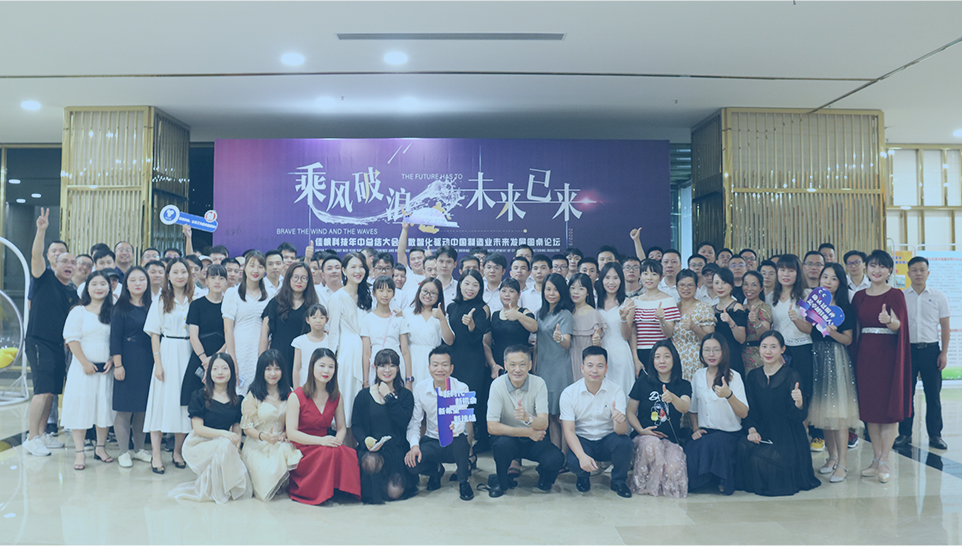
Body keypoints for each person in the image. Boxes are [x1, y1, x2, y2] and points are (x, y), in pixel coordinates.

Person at [23, 209, 79, 457]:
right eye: (64, 261)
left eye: (73, 263)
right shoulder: (43, 277)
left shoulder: (72, 291)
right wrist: (41, 230)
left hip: (58, 345)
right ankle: (31, 437)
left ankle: (43, 433)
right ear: (54, 263)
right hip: (39, 342)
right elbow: (36, 255)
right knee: (42, 391)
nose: (69, 265)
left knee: (52, 393)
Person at [736, 331, 821, 496]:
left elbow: (798, 417)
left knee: (761, 460)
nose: (768, 351)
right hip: (762, 429)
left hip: (787, 434)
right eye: (764, 346)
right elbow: (751, 410)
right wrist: (752, 429)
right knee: (743, 447)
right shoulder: (753, 376)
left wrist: (799, 403)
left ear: (782, 349)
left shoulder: (792, 376)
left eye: (773, 347)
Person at [852, 250, 912, 483]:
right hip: (865, 357)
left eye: (882, 267)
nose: (876, 271)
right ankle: (876, 459)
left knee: (888, 410)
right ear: (866, 268)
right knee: (870, 411)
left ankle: (886, 460)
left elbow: (900, 325)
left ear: (890, 270)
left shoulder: (895, 294)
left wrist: (890, 322)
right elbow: (855, 328)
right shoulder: (859, 296)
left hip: (888, 356)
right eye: (873, 266)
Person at [169, 353, 252, 503]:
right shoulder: (200, 396)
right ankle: (215, 490)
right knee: (224, 444)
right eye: (215, 368)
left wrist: (237, 450)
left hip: (225, 443)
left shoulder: (237, 399)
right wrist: (224, 434)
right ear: (209, 372)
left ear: (232, 371)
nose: (220, 372)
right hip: (200, 442)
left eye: (224, 368)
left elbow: (237, 430)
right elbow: (198, 429)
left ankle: (221, 487)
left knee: (227, 448)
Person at [486, 345, 565, 497]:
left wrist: (528, 418)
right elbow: (492, 427)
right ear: (505, 365)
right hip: (509, 438)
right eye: (512, 364)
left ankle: (544, 478)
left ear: (530, 365)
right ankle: (502, 482)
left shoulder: (539, 383)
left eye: (522, 364)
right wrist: (527, 432)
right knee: (501, 445)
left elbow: (544, 423)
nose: (517, 369)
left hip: (534, 439)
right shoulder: (497, 385)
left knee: (556, 459)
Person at [286, 348, 362, 504]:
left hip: (326, 443)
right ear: (312, 367)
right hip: (304, 445)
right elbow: (291, 433)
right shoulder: (296, 396)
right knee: (328, 453)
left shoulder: (336, 396)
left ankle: (341, 491)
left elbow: (341, 428)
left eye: (331, 367)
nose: (326, 371)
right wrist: (321, 441)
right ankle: (318, 492)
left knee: (348, 453)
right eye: (322, 366)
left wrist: (337, 441)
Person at [808, 263, 859, 482]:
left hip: (836, 357)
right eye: (825, 277)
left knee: (838, 413)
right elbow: (808, 329)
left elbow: (848, 340)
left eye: (833, 278)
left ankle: (843, 464)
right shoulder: (814, 304)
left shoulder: (845, 308)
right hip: (816, 356)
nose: (828, 281)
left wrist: (832, 333)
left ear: (840, 283)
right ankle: (831, 457)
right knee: (824, 412)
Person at [560, 346, 633, 498]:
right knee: (574, 461)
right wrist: (581, 456)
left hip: (607, 439)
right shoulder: (569, 393)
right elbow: (568, 430)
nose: (595, 370)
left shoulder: (616, 391)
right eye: (590, 365)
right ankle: (583, 477)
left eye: (600, 366)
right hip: (583, 440)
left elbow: (621, 431)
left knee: (625, 443)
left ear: (606, 369)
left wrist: (619, 420)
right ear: (582, 368)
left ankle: (619, 481)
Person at [404, 345, 475, 501]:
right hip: (432, 441)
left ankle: (463, 482)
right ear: (429, 368)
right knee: (411, 463)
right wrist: (414, 446)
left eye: (444, 365)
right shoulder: (420, 388)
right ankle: (435, 471)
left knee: (460, 442)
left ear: (451, 368)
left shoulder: (462, 388)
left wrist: (453, 427)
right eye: (435, 365)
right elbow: (415, 422)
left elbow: (462, 418)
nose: (440, 369)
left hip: (454, 441)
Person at [143, 258, 194, 473]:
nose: (180, 276)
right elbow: (154, 333)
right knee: (160, 403)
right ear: (169, 276)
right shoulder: (161, 299)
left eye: (184, 271)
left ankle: (178, 451)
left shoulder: (196, 297)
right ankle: (156, 454)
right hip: (167, 351)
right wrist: (158, 363)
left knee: (183, 404)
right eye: (175, 272)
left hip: (189, 351)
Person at [61, 271, 116, 470]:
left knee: (104, 409)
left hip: (106, 370)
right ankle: (79, 453)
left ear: (109, 287)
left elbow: (117, 339)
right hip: (83, 369)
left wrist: (113, 359)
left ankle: (100, 448)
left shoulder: (113, 312)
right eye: (94, 284)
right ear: (87, 288)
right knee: (80, 408)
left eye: (103, 284)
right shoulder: (79, 311)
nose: (99, 288)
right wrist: (84, 363)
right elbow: (71, 339)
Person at [897, 256, 950, 450]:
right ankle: (905, 434)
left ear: (928, 272)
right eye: (914, 270)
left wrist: (943, 353)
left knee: (933, 395)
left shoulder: (938, 296)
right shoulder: (901, 296)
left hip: (931, 350)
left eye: (922, 270)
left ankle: (935, 435)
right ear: (908, 273)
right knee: (906, 395)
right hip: (908, 351)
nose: (918, 273)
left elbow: (945, 326)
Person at [685, 334, 749, 495]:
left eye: (716, 350)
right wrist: (695, 428)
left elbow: (744, 412)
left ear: (724, 352)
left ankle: (719, 481)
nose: (711, 354)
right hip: (706, 432)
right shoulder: (698, 375)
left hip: (729, 434)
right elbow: (693, 409)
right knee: (691, 448)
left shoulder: (734, 376)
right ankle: (701, 482)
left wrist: (729, 395)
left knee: (712, 444)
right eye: (707, 350)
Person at [627, 341, 691, 498]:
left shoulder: (683, 385)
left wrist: (673, 398)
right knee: (653, 445)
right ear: (652, 360)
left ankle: (659, 491)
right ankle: (644, 487)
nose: (662, 361)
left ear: (674, 359)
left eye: (666, 356)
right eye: (657, 357)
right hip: (644, 437)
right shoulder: (643, 382)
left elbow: (685, 407)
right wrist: (641, 430)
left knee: (673, 468)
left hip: (670, 440)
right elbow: (630, 412)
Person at [765, 254, 817, 450]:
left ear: (798, 273)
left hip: (802, 350)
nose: (786, 274)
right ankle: (782, 442)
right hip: (779, 352)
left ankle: (801, 442)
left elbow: (810, 329)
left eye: (791, 270)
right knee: (779, 396)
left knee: (801, 396)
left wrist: (796, 320)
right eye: (782, 270)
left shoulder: (806, 295)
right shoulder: (771, 297)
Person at [352, 348, 417, 504]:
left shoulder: (405, 395)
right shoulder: (363, 395)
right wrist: (365, 441)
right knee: (371, 461)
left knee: (395, 493)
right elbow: (356, 425)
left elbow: (403, 421)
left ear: (398, 368)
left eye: (392, 366)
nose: (387, 370)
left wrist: (389, 397)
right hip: (371, 448)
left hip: (396, 449)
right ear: (375, 368)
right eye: (382, 366)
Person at [241, 350, 302, 501]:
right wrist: (264, 437)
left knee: (287, 453)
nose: (273, 373)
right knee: (266, 472)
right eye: (268, 369)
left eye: (277, 368)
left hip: (282, 441)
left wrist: (285, 434)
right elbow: (247, 428)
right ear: (261, 371)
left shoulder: (289, 393)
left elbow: (293, 421)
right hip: (258, 443)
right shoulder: (253, 394)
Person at [110, 266, 153, 468]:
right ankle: (123, 452)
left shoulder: (152, 306)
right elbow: (115, 339)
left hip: (148, 362)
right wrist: (118, 365)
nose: (138, 283)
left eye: (142, 279)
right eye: (133, 280)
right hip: (127, 361)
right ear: (126, 284)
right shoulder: (120, 308)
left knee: (142, 409)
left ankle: (139, 449)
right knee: (125, 410)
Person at [446, 269, 491, 454]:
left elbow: (477, 338)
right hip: (454, 360)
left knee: (468, 408)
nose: (470, 288)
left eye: (475, 285)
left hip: (473, 362)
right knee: (453, 406)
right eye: (467, 283)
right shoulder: (451, 307)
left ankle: (469, 452)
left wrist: (471, 325)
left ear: (480, 288)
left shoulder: (482, 308)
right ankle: (453, 448)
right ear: (460, 285)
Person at [326, 252, 372, 429]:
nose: (358, 271)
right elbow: (333, 332)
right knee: (346, 399)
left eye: (361, 267)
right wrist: (331, 360)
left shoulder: (368, 295)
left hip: (367, 351)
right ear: (344, 271)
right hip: (347, 353)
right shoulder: (337, 297)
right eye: (353, 267)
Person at [260, 261, 318, 378]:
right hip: (278, 357)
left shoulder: (312, 305)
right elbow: (264, 334)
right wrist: (262, 360)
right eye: (295, 277)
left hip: (303, 357)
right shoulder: (275, 303)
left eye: (303, 278)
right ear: (288, 279)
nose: (299, 281)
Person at [182, 264, 228, 407]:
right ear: (206, 281)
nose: (217, 281)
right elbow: (193, 336)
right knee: (194, 399)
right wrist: (205, 361)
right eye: (213, 277)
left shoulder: (230, 304)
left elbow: (230, 335)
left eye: (221, 278)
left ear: (226, 282)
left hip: (223, 356)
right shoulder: (197, 305)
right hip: (200, 356)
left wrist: (215, 359)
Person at [223, 252, 269, 394]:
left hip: (261, 348)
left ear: (264, 270)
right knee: (236, 391)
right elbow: (228, 329)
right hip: (239, 348)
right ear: (244, 268)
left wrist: (264, 355)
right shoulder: (232, 293)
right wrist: (232, 359)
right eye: (252, 265)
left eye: (260, 266)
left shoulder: (270, 295)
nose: (256, 270)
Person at [595, 263, 640, 395]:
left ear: (621, 280)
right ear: (601, 279)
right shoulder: (595, 302)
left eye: (615, 278)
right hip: (599, 353)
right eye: (607, 277)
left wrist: (623, 318)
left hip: (620, 354)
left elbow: (626, 336)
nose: (611, 282)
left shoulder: (627, 303)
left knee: (621, 392)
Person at [361, 276, 412, 387]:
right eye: (381, 290)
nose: (385, 294)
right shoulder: (367, 319)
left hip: (396, 365)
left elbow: (405, 351)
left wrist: (409, 379)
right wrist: (365, 381)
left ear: (393, 294)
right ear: (374, 293)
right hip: (376, 365)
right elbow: (366, 353)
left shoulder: (399, 319)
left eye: (389, 291)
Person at [404, 278, 455, 388]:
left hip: (434, 360)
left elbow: (449, 341)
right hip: (412, 358)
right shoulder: (407, 313)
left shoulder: (442, 315)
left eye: (433, 293)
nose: (428, 295)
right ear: (419, 292)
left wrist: (442, 319)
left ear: (439, 296)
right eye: (425, 291)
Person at [484, 278, 537, 378]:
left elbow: (534, 327)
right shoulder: (495, 315)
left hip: (520, 364)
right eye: (503, 291)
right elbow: (486, 342)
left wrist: (518, 316)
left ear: (519, 295)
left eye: (511, 291)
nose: (507, 294)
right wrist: (493, 365)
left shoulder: (524, 312)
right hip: (499, 365)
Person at [631, 259, 680, 365]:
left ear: (661, 277)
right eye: (645, 273)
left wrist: (662, 319)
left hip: (662, 352)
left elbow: (669, 333)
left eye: (654, 274)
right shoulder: (634, 301)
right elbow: (633, 332)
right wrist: (635, 358)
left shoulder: (668, 300)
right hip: (640, 352)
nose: (649, 278)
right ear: (640, 276)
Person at [673, 269, 716, 381]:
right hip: (675, 360)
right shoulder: (673, 307)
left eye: (690, 285)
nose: (686, 288)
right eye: (682, 285)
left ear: (696, 287)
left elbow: (710, 338)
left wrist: (695, 328)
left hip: (696, 360)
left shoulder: (704, 308)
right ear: (676, 287)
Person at [568, 273, 605, 382]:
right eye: (573, 288)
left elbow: (598, 342)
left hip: (586, 360)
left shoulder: (593, 314)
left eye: (581, 289)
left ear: (588, 292)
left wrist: (597, 341)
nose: (576, 292)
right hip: (567, 360)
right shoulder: (566, 313)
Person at [712, 268, 748, 376]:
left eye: (724, 283)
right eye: (716, 283)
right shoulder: (711, 309)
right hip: (715, 355)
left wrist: (731, 322)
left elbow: (741, 339)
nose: (720, 287)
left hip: (731, 355)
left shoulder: (737, 307)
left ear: (732, 285)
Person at [291, 304, 331, 388]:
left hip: (325, 383)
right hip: (304, 382)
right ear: (307, 320)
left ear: (326, 320)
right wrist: (296, 389)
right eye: (314, 317)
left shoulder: (330, 341)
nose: (318, 321)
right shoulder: (300, 341)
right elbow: (296, 368)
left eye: (322, 318)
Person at [741, 270, 772, 372]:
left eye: (754, 285)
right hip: (741, 354)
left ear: (761, 288)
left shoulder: (763, 307)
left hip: (757, 356)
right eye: (746, 284)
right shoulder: (741, 307)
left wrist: (756, 322)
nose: (749, 288)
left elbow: (765, 334)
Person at [397, 223, 426, 288]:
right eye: (413, 259)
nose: (416, 261)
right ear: (410, 263)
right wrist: (405, 229)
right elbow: (401, 252)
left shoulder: (433, 275)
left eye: (419, 258)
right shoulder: (407, 274)